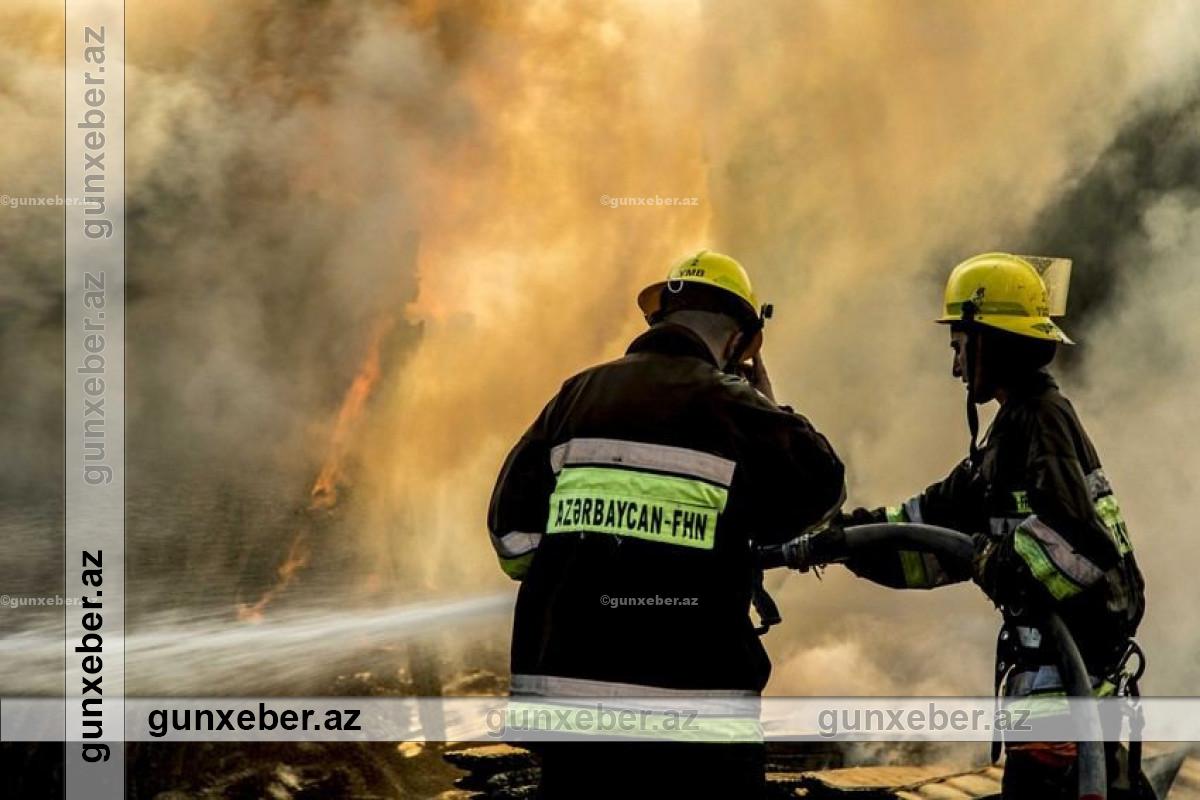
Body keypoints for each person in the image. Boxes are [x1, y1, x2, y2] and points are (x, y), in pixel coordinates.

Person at [486, 249, 845, 798]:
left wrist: (586, 566)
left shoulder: (576, 395)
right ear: (741, 343)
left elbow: (511, 541)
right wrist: (773, 404)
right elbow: (823, 492)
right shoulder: (735, 408)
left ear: (657, 321)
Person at [816, 252, 1148, 799]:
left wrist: (1000, 562)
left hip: (1065, 704)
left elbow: (1082, 545)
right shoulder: (1007, 436)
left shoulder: (1042, 419)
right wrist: (840, 541)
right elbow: (925, 533)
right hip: (1048, 698)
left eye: (958, 346)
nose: (955, 366)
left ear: (990, 340)